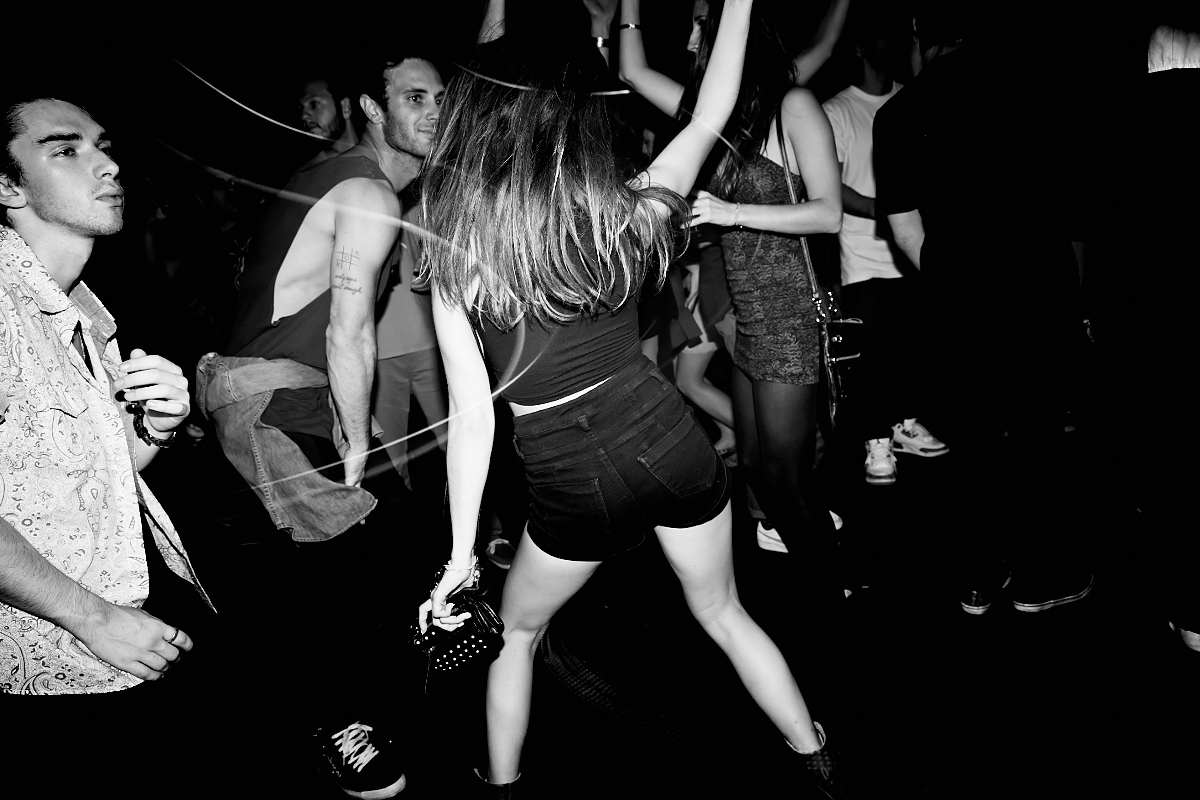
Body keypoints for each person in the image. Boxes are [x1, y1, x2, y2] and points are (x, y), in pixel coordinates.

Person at [419, 1, 846, 797]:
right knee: (723, 613)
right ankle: (815, 755)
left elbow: (473, 420)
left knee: (517, 635)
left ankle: (500, 783)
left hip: (571, 477)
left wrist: (460, 558)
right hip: (673, 445)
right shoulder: (625, 208)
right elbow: (712, 111)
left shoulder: (457, 254)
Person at [199, 54, 444, 798]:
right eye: (414, 98)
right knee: (336, 565)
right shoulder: (367, 190)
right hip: (270, 393)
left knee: (376, 547)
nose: (434, 112)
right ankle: (336, 726)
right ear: (371, 107)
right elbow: (348, 329)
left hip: (282, 385)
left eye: (441, 98)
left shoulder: (341, 174)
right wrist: (358, 437)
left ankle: (364, 693)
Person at [0, 92, 214, 794]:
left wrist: (155, 425)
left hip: (110, 642)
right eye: (66, 150)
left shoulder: (86, 312)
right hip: (39, 664)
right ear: (7, 186)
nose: (107, 165)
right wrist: (93, 619)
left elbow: (99, 472)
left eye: (103, 146)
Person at [620, 0, 846, 613]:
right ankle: (817, 581)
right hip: (750, 316)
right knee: (755, 467)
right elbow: (633, 71)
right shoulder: (716, 118)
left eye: (702, 23)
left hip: (788, 316)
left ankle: (834, 598)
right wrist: (625, 8)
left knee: (787, 480)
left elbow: (828, 213)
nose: (691, 36)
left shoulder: (792, 106)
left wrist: (731, 212)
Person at [874, 1, 1091, 614]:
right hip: (1040, 287)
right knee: (1037, 434)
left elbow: (905, 230)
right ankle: (1043, 578)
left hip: (959, 295)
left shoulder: (900, 113)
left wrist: (957, 281)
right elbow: (1073, 212)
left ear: (921, 34)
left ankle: (979, 575)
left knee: (972, 436)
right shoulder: (1038, 92)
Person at [821, 14, 947, 486]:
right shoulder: (836, 110)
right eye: (875, 36)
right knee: (870, 358)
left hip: (912, 248)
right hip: (862, 254)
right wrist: (888, 207)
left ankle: (903, 425)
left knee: (909, 350)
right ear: (858, 49)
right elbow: (830, 184)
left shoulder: (909, 96)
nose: (887, 43)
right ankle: (875, 441)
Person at [299, 73, 362, 166]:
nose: (304, 116)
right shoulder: (310, 172)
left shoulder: (379, 157)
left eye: (313, 104)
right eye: (301, 108)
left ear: (345, 107)